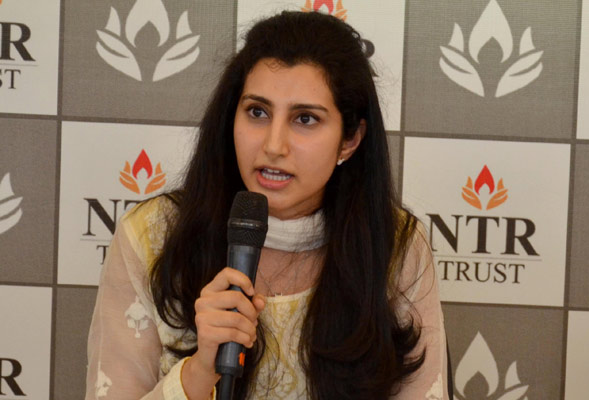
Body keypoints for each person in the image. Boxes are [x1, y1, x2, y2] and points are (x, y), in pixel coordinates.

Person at [86, 10, 448, 400]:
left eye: (305, 119)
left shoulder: (395, 245)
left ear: (350, 140)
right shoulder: (151, 235)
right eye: (257, 112)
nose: (274, 146)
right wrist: (199, 371)